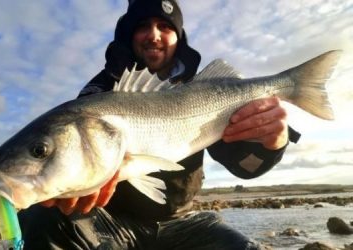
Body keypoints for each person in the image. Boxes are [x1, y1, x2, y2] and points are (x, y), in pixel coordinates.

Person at [17, 0, 301, 249]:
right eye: (143, 26)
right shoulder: (100, 91)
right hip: (111, 223)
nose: (153, 35)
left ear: (179, 38)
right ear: (129, 36)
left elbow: (243, 166)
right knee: (41, 216)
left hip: (183, 224)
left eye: (165, 27)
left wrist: (274, 143)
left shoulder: (206, 93)